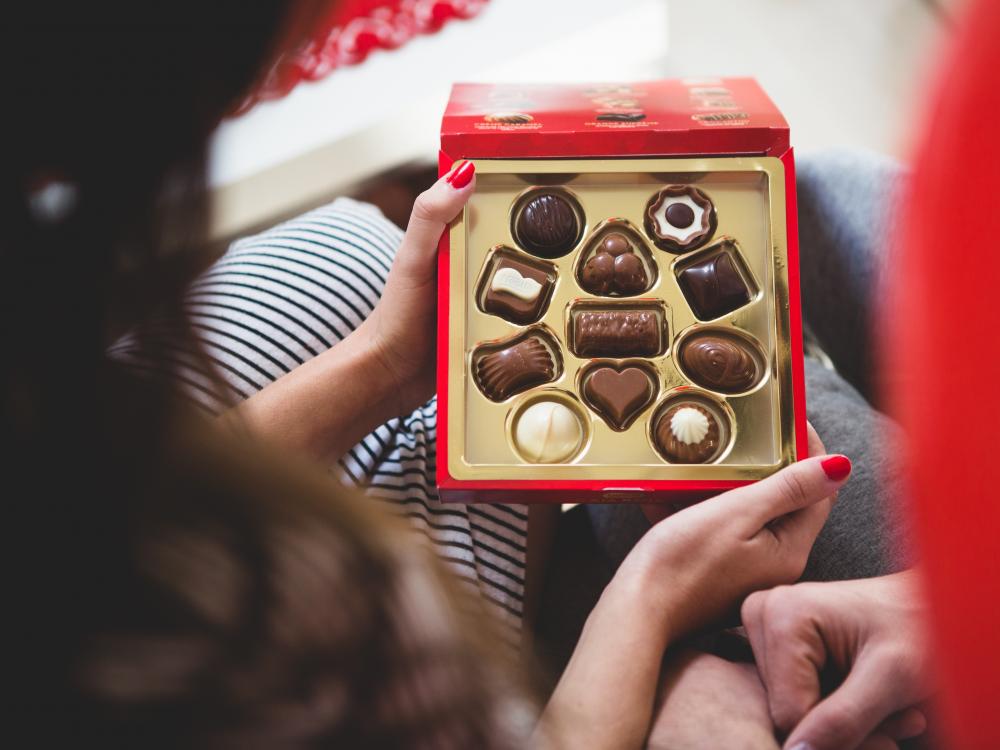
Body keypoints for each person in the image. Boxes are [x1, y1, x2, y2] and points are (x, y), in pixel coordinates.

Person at [5, 2, 897, 748]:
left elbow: (103, 520)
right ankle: (805, 356)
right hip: (555, 594)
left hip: (427, 427)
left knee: (821, 200)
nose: (274, 75)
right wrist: (652, 603)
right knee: (833, 219)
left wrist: (388, 365)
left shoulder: (54, 435)